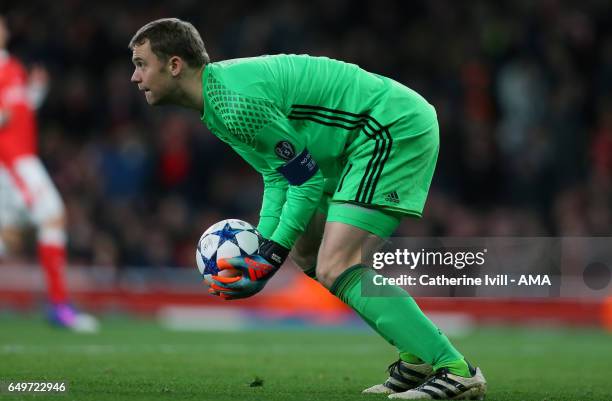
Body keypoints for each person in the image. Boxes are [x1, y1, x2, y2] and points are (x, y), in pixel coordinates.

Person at [129, 18, 487, 400]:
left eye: (140, 63)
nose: (135, 77)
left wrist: (270, 254)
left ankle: (456, 370)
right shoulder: (218, 99)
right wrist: (264, 248)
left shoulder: (234, 102)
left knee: (337, 263)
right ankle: (417, 357)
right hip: (358, 140)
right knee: (309, 252)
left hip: (386, 129)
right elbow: (277, 173)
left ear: (174, 65)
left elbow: (306, 180)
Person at [0, 16, 97, 332]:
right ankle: (59, 307)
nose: (3, 29)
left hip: (21, 158)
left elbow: (17, 112)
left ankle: (59, 306)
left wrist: (35, 94)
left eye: (3, 25)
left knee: (9, 238)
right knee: (52, 216)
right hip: (14, 162)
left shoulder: (11, 66)